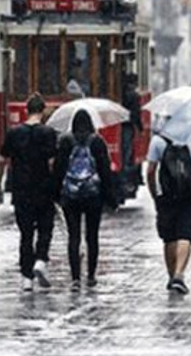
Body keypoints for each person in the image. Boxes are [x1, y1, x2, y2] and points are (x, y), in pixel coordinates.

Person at [0, 94, 58, 291]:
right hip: (43, 189)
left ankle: (26, 278)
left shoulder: (14, 133)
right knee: (45, 228)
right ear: (43, 111)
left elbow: (0, 162)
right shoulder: (49, 133)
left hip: (21, 191)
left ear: (27, 110)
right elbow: (52, 163)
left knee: (26, 234)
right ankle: (41, 259)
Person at [146, 130, 191, 294]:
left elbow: (150, 172)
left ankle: (171, 277)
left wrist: (155, 195)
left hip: (166, 196)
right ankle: (179, 275)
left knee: (169, 238)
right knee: (186, 235)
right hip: (189, 195)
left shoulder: (157, 141)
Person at [54, 109, 115, 289]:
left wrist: (56, 193)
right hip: (93, 195)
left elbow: (58, 170)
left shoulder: (65, 141)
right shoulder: (97, 142)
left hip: (70, 195)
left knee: (74, 236)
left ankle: (75, 278)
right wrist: (111, 197)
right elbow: (105, 171)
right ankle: (91, 275)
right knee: (92, 236)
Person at [120, 74, 143, 197]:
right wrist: (140, 127)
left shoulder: (123, 92)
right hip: (128, 126)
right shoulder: (134, 95)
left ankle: (125, 174)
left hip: (123, 124)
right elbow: (136, 113)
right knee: (127, 152)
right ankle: (125, 176)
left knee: (125, 151)